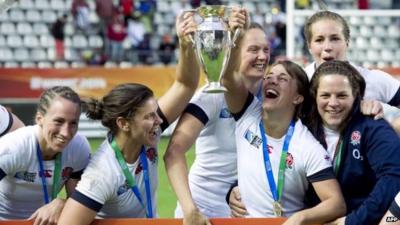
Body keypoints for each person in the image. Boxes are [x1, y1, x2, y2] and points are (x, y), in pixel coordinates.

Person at [57, 12, 200, 224]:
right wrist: (60, 204)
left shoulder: (146, 133)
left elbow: (186, 85)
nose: (159, 121)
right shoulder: (102, 173)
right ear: (123, 123)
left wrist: (185, 44)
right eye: (150, 116)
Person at [221, 8, 346, 224]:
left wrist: (302, 217)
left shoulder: (306, 145)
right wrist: (235, 36)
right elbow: (229, 78)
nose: (271, 81)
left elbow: (336, 203)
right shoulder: (247, 114)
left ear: (298, 98)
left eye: (282, 79)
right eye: (269, 76)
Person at [164, 22, 269, 225]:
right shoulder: (212, 94)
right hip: (203, 211)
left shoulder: (273, 95)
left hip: (248, 210)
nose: (263, 57)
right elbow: (174, 152)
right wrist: (190, 209)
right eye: (253, 50)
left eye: (266, 49)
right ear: (233, 52)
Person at [306, 60, 400, 225]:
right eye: (325, 95)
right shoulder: (303, 129)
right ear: (314, 95)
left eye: (342, 95)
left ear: (356, 95)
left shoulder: (373, 127)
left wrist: (352, 221)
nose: (333, 103)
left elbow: (393, 177)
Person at [0, 86, 91, 224]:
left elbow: (79, 203)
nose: (66, 133)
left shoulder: (79, 147)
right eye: (59, 121)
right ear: (39, 118)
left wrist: (62, 202)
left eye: (73, 123)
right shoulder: (13, 147)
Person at [303, 11, 400, 123]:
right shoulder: (299, 83)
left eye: (335, 38)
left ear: (347, 42)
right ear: (309, 46)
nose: (327, 47)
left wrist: (391, 126)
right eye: (319, 40)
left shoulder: (372, 79)